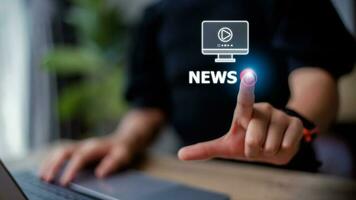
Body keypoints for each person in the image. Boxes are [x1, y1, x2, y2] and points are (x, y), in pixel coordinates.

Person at [40, 0, 356, 186]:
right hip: (193, 176)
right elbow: (149, 105)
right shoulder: (157, 14)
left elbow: (316, 75)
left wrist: (293, 121)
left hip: (281, 177)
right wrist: (122, 141)